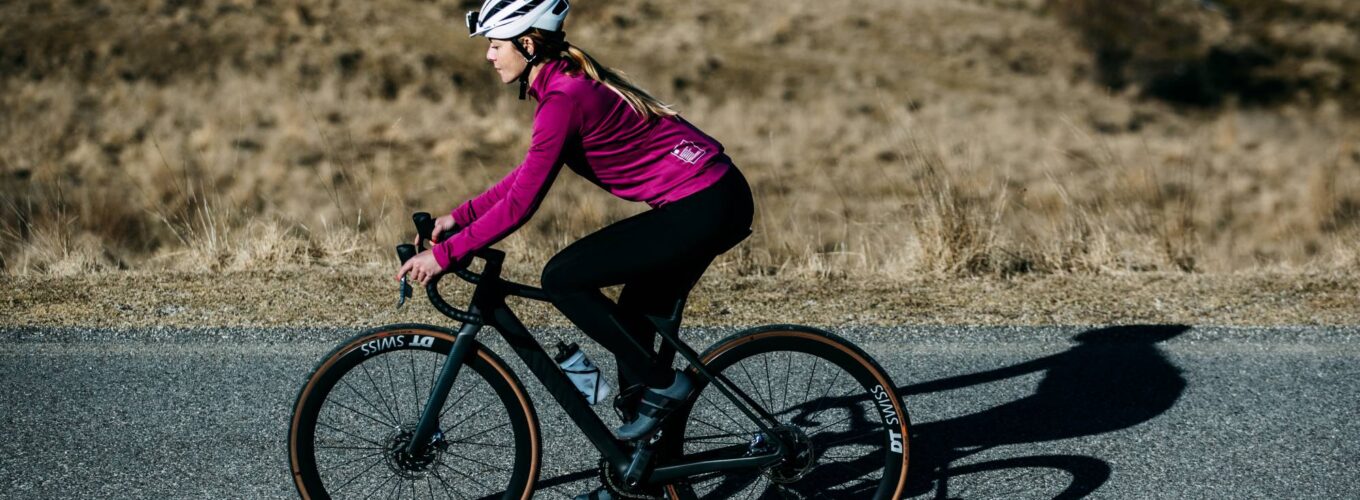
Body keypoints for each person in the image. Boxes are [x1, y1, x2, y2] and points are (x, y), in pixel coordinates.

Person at [394, 0, 754, 484]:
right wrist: (456, 219)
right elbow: (526, 175)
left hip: (705, 203)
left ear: (528, 44)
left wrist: (443, 256)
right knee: (631, 327)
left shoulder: (564, 99)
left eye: (496, 45)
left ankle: (667, 387)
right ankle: (647, 471)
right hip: (708, 199)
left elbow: (522, 204)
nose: (488, 56)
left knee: (563, 277)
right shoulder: (562, 85)